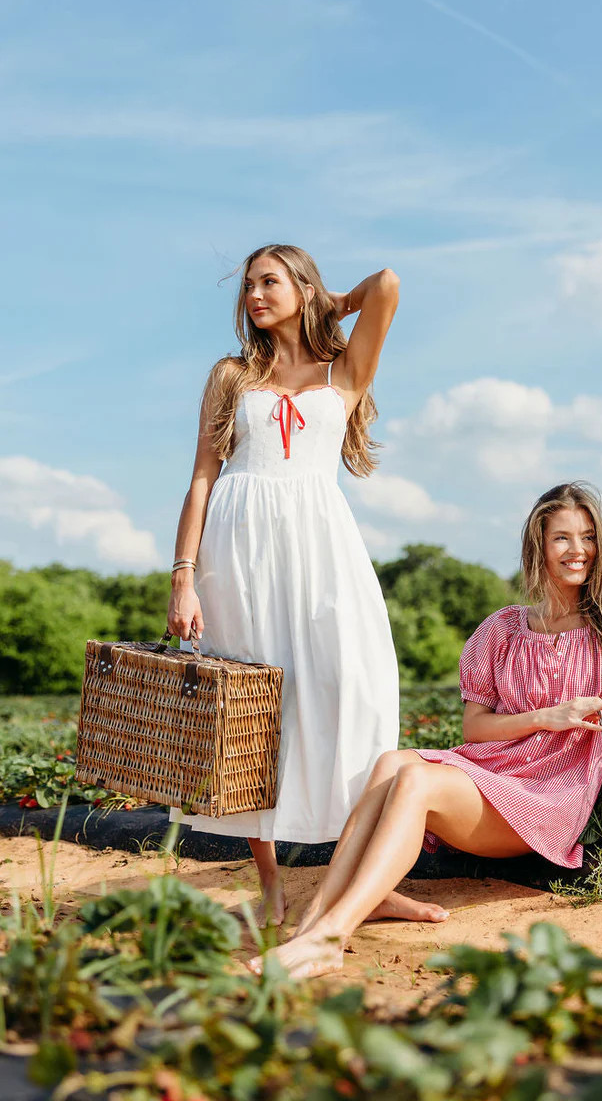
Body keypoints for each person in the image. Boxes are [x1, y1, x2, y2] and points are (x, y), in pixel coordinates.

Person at [268, 481, 602, 978]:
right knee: (392, 762)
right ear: (539, 547)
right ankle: (320, 915)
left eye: (588, 537)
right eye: (562, 538)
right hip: (493, 768)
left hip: (549, 792)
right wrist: (546, 717)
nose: (578, 550)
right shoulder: (503, 629)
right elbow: (475, 727)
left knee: (416, 778)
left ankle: (330, 938)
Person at [167, 244, 424, 927]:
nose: (254, 295)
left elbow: (388, 283)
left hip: (322, 547)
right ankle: (272, 888)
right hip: (237, 551)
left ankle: (365, 882)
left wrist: (333, 304)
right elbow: (202, 477)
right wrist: (183, 576)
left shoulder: (344, 372)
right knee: (253, 712)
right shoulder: (231, 375)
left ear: (302, 287)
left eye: (269, 282)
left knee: (359, 690)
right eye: (248, 285)